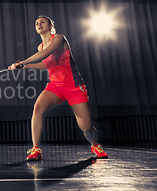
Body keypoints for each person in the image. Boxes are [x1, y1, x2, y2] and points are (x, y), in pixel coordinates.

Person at [8, 15, 108, 161]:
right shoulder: (40, 46)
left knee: (86, 127)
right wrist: (23, 66)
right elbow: (45, 63)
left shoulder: (59, 38)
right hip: (55, 85)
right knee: (37, 108)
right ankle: (36, 150)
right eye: (37, 23)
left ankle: (95, 145)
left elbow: (45, 54)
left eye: (42, 22)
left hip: (73, 86)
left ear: (50, 26)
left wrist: (22, 61)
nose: (39, 24)